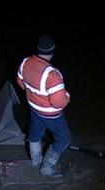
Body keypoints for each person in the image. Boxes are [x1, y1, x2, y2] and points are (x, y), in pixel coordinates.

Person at [16, 34, 72, 178]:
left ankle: (36, 160)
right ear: (53, 52)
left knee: (35, 130)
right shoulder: (52, 75)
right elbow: (58, 102)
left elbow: (21, 82)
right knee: (64, 139)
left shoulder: (25, 62)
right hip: (52, 114)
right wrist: (67, 96)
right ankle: (47, 167)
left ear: (38, 49)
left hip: (34, 108)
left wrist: (35, 95)